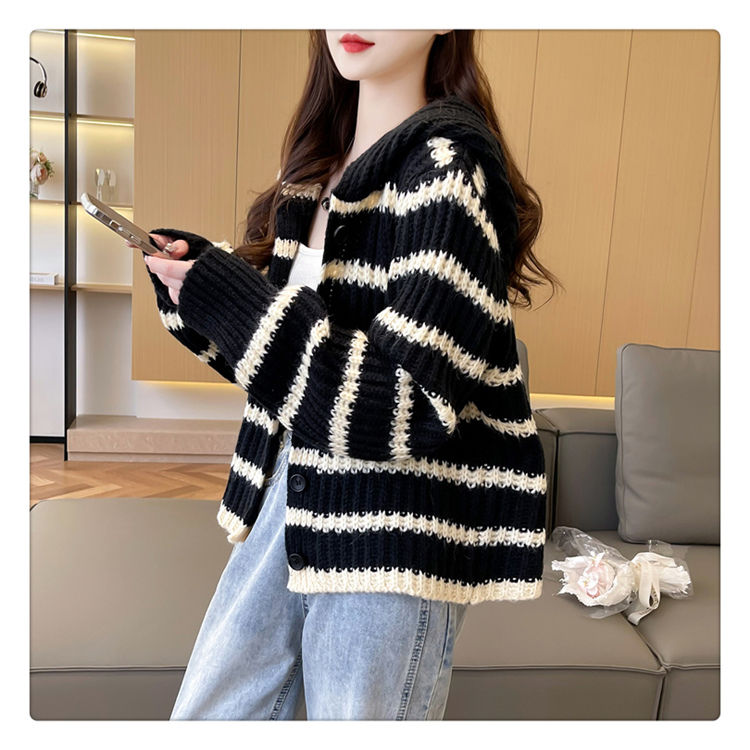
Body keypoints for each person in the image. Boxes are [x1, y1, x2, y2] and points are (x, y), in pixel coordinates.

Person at [131, 29, 560, 721]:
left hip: (393, 524)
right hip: (287, 495)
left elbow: (406, 403)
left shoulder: (450, 171)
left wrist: (237, 304)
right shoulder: (315, 176)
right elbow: (294, 380)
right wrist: (204, 296)